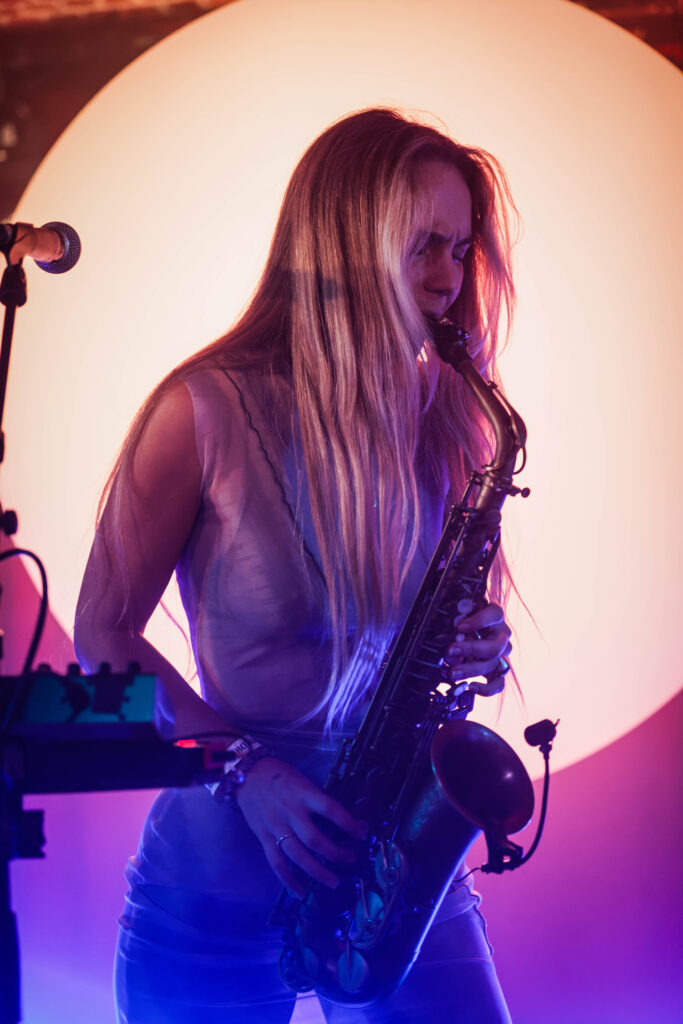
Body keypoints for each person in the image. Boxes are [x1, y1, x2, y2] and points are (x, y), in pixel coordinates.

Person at [75, 107, 519, 1023]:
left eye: (459, 249)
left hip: (395, 876)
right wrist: (244, 769)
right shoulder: (202, 408)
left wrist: (480, 643)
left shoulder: (450, 418)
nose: (447, 280)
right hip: (213, 896)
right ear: (344, 240)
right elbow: (101, 633)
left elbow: (431, 643)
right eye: (422, 247)